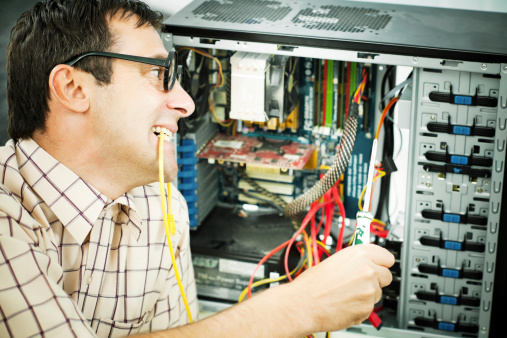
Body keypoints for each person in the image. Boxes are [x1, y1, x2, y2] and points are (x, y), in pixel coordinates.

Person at [0, 0, 395, 336]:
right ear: (73, 89)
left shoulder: (160, 204)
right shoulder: (6, 219)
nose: (187, 104)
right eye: (158, 74)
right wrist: (301, 306)